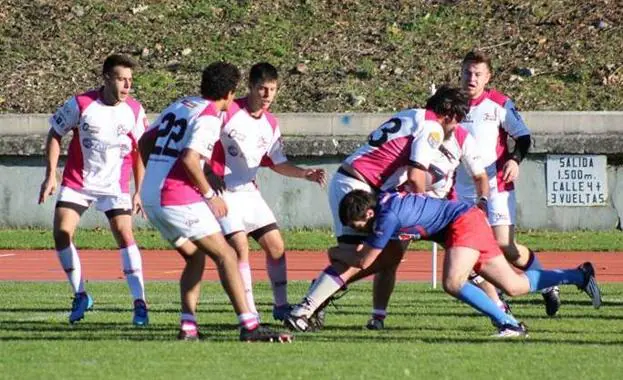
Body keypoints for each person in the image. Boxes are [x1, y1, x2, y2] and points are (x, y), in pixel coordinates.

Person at [285, 190, 602, 337]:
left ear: (367, 214)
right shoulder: (381, 208)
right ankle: (579, 275)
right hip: (465, 222)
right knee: (517, 286)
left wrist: (333, 253)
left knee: (452, 282)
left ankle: (510, 326)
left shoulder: (385, 217)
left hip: (462, 225)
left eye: (357, 225)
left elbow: (363, 259)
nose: (358, 231)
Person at [138, 62, 291, 342]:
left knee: (196, 257)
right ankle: (250, 326)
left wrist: (154, 174)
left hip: (152, 196)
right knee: (227, 255)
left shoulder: (181, 104)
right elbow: (189, 159)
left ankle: (188, 327)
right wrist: (209, 195)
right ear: (231, 93)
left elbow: (144, 140)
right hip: (176, 197)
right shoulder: (210, 116)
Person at [307, 86, 470, 330]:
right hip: (360, 188)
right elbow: (416, 177)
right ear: (448, 114)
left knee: (389, 255)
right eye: (456, 120)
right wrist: (424, 210)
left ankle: (322, 291)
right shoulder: (433, 127)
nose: (455, 128)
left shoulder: (412, 114)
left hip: (358, 183)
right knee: (360, 256)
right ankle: (310, 303)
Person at [38, 54, 149, 326]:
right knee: (62, 232)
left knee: (124, 233)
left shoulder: (134, 110)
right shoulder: (81, 103)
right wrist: (51, 175)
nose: (127, 86)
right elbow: (55, 133)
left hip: (115, 185)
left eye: (130, 81)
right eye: (122, 79)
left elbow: (141, 151)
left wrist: (139, 190)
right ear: (107, 78)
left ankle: (140, 303)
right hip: (79, 181)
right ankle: (80, 294)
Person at [211, 62, 326, 321]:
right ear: (250, 87)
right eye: (262, 89)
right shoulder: (227, 113)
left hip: (249, 193)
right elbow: (202, 145)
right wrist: (209, 174)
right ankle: (249, 311)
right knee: (240, 248)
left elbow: (277, 162)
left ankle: (281, 306)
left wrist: (304, 173)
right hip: (223, 192)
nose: (267, 96)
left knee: (276, 246)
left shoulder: (270, 123)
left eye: (272, 90)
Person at [456, 50, 561, 316]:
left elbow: (523, 137)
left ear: (487, 77)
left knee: (506, 246)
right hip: (461, 188)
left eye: (477, 74)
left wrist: (514, 160)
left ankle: (546, 283)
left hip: (495, 185)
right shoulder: (451, 105)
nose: (471, 78)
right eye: (467, 72)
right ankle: (498, 302)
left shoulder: (499, 104)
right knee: (466, 248)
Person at [364, 123, 492, 330]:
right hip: (407, 210)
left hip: (444, 212)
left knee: (472, 266)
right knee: (388, 261)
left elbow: (480, 176)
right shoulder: (421, 130)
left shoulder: (461, 137)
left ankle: (500, 310)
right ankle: (378, 317)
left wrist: (483, 201)